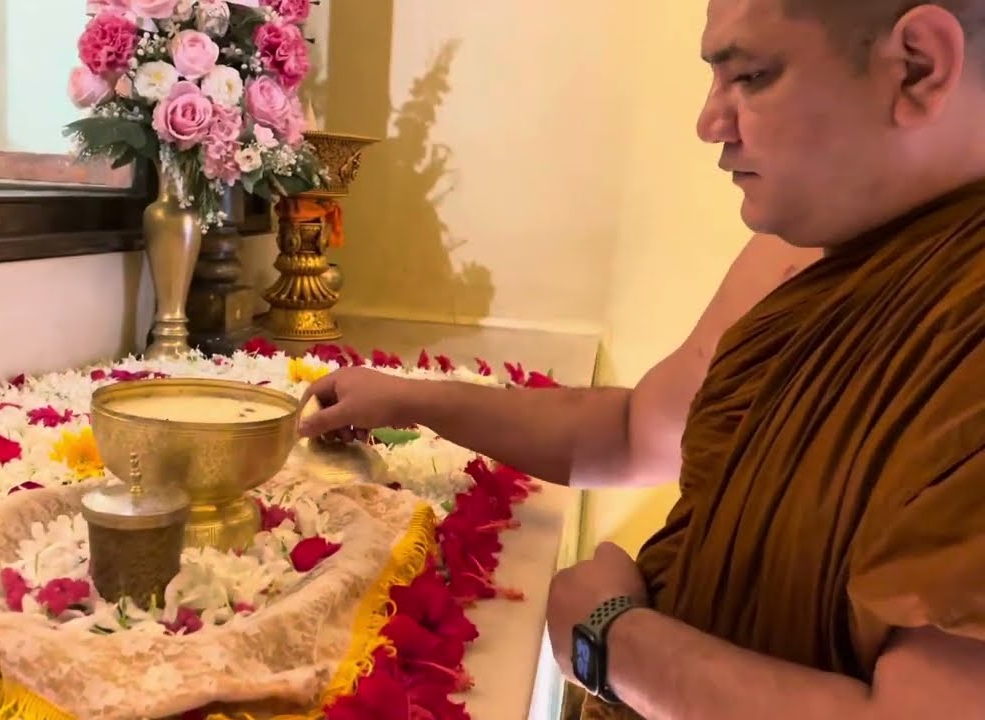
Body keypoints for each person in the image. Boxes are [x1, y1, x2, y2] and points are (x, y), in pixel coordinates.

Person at [298, 0, 985, 717]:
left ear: (918, 68)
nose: (709, 123)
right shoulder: (800, 246)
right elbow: (634, 433)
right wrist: (409, 399)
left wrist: (610, 642)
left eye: (749, 75)